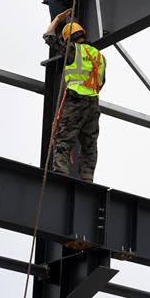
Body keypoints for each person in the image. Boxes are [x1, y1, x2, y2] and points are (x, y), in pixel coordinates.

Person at [43, 9, 106, 182]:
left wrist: (57, 20)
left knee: (63, 138)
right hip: (93, 104)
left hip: (75, 100)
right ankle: (87, 178)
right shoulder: (99, 56)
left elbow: (49, 37)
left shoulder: (73, 51)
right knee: (89, 144)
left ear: (69, 39)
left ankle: (61, 174)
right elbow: (102, 81)